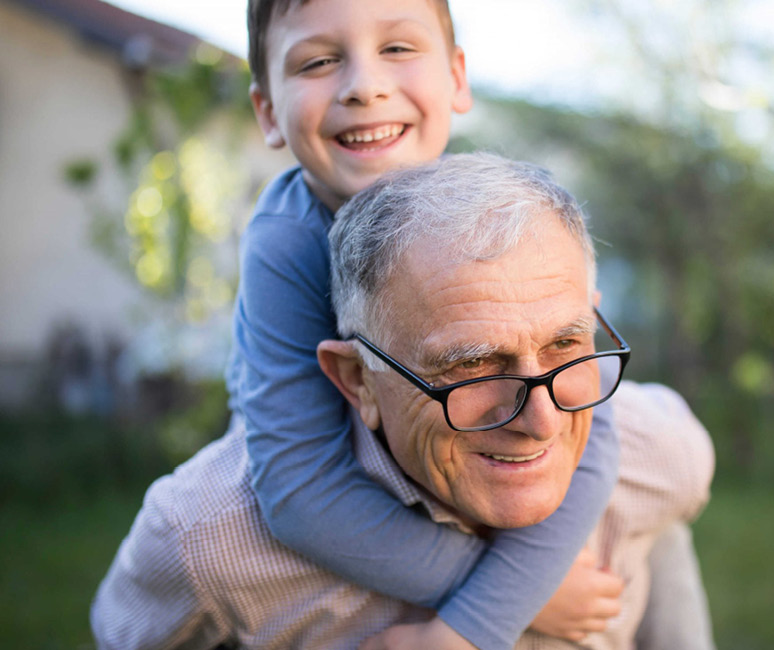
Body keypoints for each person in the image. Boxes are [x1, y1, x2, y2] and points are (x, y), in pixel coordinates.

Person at [91, 153, 715, 649]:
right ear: (357, 380)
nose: (541, 421)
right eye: (472, 365)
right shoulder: (208, 539)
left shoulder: (660, 452)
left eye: (565, 343)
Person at [226, 0, 622, 647]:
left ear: (457, 78)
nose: (365, 85)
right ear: (268, 111)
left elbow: (597, 435)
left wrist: (496, 602)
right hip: (368, 484)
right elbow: (299, 488)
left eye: (398, 49)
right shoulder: (285, 244)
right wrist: (497, 604)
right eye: (319, 61)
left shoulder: (491, 212)